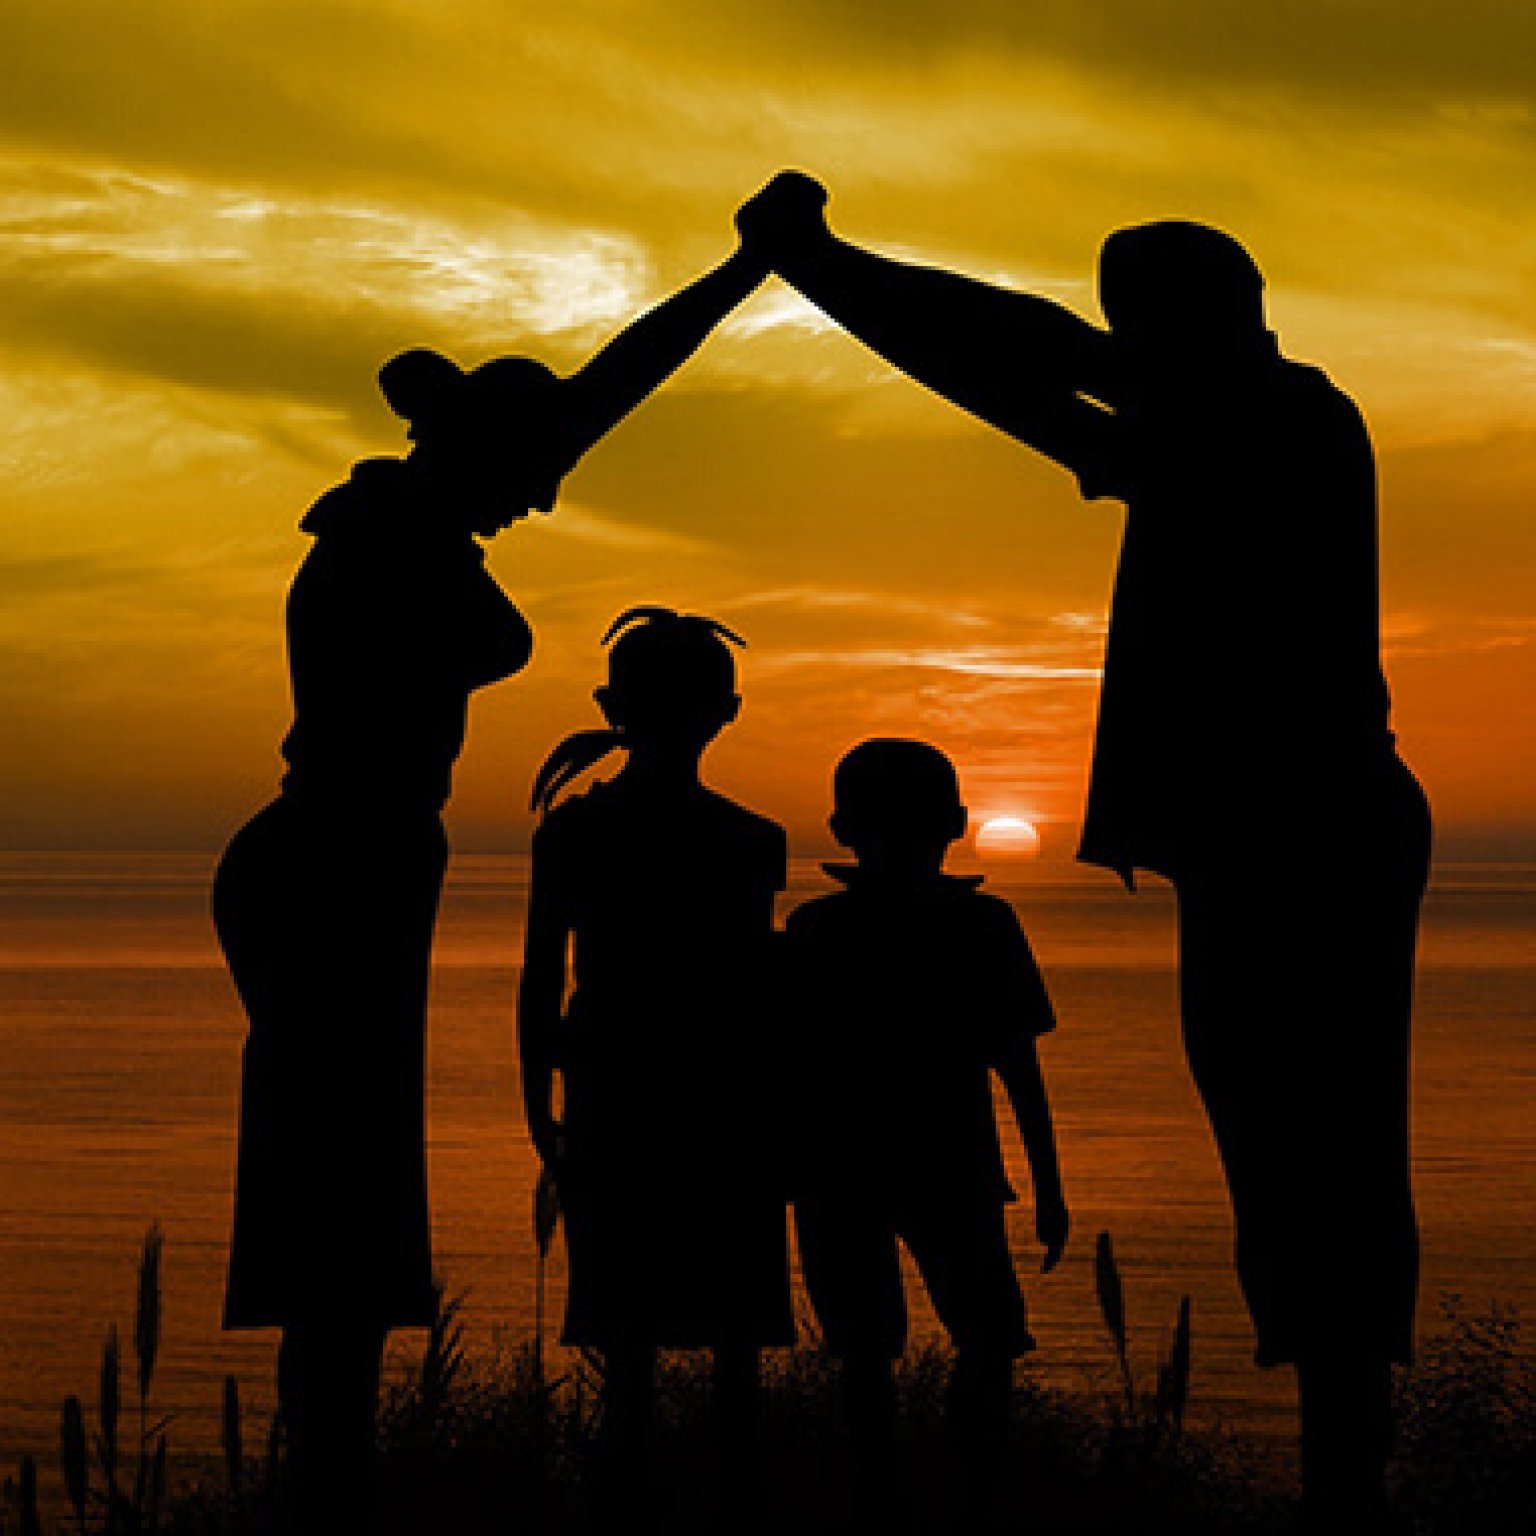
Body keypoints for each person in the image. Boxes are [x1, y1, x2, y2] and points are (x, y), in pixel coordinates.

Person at [735, 172, 1432, 1529]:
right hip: (1274, 838)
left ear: (1195, 323)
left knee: (1323, 1162)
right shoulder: (1227, 417)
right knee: (1286, 1158)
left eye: (1134, 323)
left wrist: (823, 264)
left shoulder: (1272, 418)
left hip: (1309, 836)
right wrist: (827, 271)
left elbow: (1032, 359)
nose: (1117, 346)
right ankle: (1338, 1459)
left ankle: (1347, 1479)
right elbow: (1028, 370)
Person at [212, 241, 768, 1531]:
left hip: (353, 857)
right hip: (336, 862)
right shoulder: (395, 540)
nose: (544, 502)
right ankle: (329, 1485)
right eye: (536, 476)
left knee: (344, 1192)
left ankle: (332, 1475)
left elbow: (602, 390)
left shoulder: (407, 522)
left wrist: (743, 271)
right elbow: (563, 441)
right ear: (481, 454)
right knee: (335, 1198)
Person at [518, 607, 794, 1517]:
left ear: (611, 705)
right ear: (728, 712)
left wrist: (537, 1103)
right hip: (724, 1105)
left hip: (619, 1096)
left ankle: (628, 1508)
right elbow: (760, 991)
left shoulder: (574, 833)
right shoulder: (751, 841)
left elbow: (539, 979)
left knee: (630, 1342)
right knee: (730, 1346)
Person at [785, 738, 1067, 1523]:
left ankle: (904, 1499)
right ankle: (962, 1497)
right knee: (968, 1341)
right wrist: (1049, 1188)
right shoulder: (980, 926)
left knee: (888, 1352)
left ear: (841, 828)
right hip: (930, 1169)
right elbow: (1020, 1069)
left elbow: (785, 1065)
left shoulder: (819, 929)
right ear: (959, 823)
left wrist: (1048, 1188)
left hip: (854, 1171)